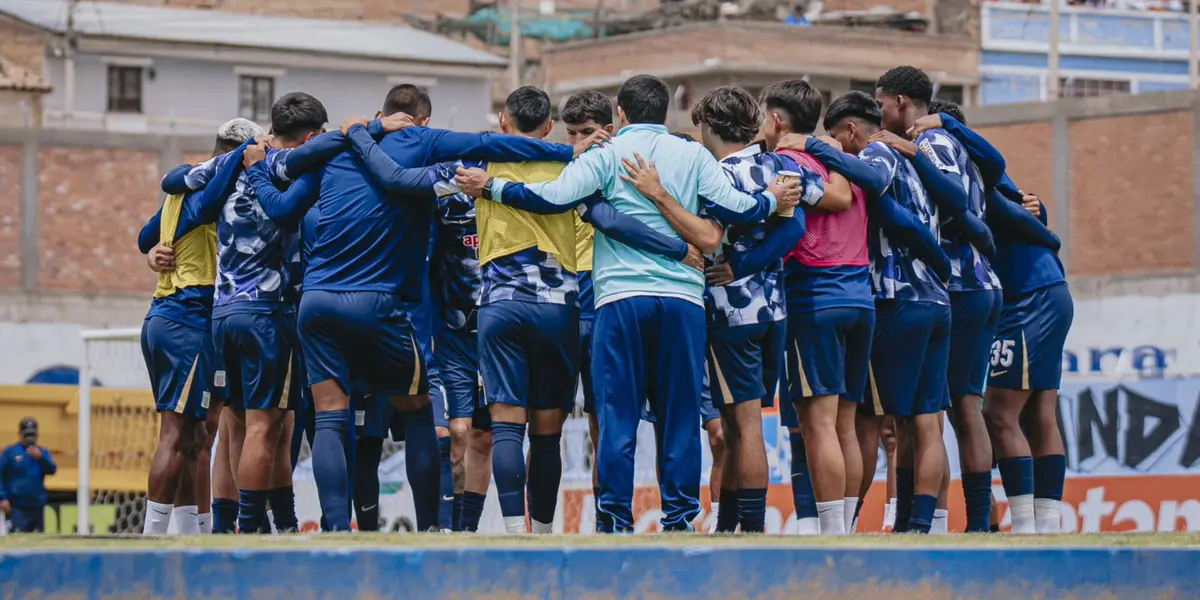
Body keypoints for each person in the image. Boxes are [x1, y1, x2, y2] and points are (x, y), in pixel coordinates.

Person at [454, 74, 803, 532]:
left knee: (617, 417)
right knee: (679, 417)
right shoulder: (693, 154)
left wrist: (493, 188)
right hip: (682, 300)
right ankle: (679, 518)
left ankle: (615, 519)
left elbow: (552, 198)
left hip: (619, 299)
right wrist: (770, 199)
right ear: (666, 111)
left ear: (620, 112)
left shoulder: (607, 153)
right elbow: (739, 209)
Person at [360, 85, 699, 533]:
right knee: (547, 434)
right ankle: (542, 532)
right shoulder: (574, 166)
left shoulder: (476, 167)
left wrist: (362, 135)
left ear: (504, 121)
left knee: (505, 428)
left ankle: (514, 533)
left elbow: (400, 180)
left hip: (500, 308)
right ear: (548, 126)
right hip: (559, 310)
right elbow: (609, 220)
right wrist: (677, 248)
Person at [779, 90, 951, 534]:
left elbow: (877, 201)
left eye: (837, 139)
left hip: (892, 296)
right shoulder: (911, 160)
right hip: (928, 298)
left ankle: (849, 527)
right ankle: (924, 525)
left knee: (858, 426)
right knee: (920, 424)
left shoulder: (873, 156)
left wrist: (814, 146)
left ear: (851, 130)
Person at [160, 94, 327, 533]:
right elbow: (286, 211)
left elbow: (173, 179)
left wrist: (239, 156)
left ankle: (252, 525)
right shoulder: (286, 167)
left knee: (238, 425)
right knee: (264, 427)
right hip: (268, 313)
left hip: (223, 313)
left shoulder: (226, 163)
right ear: (310, 136)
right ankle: (252, 527)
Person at [662, 85, 822, 534]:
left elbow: (699, 230)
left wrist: (736, 267)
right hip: (774, 312)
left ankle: (751, 530)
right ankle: (728, 525)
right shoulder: (778, 165)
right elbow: (797, 225)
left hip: (730, 313)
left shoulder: (715, 175)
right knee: (736, 426)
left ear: (710, 127)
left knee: (745, 426)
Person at [909, 106, 1070, 535]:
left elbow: (1012, 212)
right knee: (1038, 412)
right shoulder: (975, 167)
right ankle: (1044, 525)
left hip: (1028, 295)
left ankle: (1027, 525)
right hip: (1042, 290)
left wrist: (1048, 234)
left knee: (998, 412)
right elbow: (1019, 205)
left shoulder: (968, 170)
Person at [873, 67, 1002, 534]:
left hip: (960, 285)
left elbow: (955, 201)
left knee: (954, 410)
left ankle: (976, 521)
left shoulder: (932, 142)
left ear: (901, 102)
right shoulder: (937, 141)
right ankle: (932, 519)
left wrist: (915, 150)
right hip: (967, 285)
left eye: (881, 103)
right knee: (934, 413)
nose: (878, 114)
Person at [759, 79, 872, 535]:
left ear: (777, 120)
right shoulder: (842, 160)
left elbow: (832, 202)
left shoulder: (785, 164)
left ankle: (832, 533)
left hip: (816, 298)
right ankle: (846, 527)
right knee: (844, 425)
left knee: (818, 426)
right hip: (860, 298)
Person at [137, 118, 261, 535]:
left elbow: (145, 237)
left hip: (187, 321)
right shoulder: (203, 189)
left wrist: (153, 252)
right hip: (184, 320)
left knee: (199, 436)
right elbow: (195, 209)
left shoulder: (188, 187)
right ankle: (151, 539)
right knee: (176, 435)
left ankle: (194, 535)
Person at [0, 418, 57, 533]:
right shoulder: (10, 452)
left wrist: (40, 458)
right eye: (26, 435)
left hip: (37, 506)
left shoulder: (42, 452)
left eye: (32, 435)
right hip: (17, 507)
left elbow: (52, 470)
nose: (30, 438)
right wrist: (2, 497)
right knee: (17, 536)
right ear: (19, 434)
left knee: (37, 537)